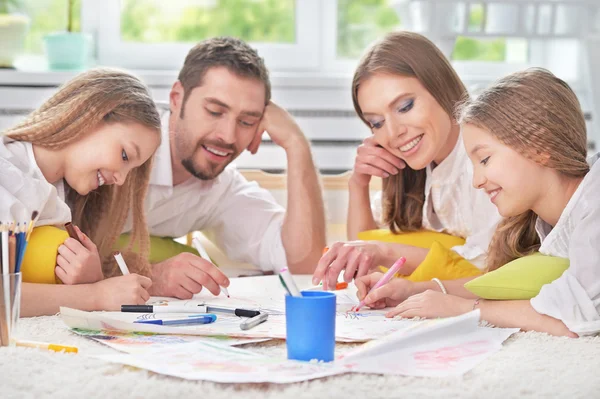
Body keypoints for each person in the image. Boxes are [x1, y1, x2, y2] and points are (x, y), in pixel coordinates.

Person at [357, 68, 599, 337]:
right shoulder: (555, 227)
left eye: (484, 160)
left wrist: (465, 308)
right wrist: (415, 290)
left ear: (539, 145)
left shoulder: (594, 201)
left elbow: (577, 318)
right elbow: (521, 287)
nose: (477, 181)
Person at [124, 37, 326, 299]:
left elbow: (303, 265)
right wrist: (153, 276)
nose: (228, 136)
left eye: (246, 121)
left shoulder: (220, 189)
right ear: (176, 98)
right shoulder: (123, 150)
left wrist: (297, 146)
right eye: (215, 112)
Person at [313, 31, 500, 288]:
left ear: (441, 86)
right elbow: (365, 254)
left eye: (404, 107)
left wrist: (386, 253)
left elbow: (487, 267)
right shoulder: (415, 169)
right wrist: (358, 183)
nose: (392, 133)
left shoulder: (485, 159)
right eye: (376, 123)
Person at [1, 68, 161, 316]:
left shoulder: (67, 200)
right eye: (124, 156)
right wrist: (95, 294)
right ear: (89, 116)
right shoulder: (6, 174)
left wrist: (91, 279)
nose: (120, 180)